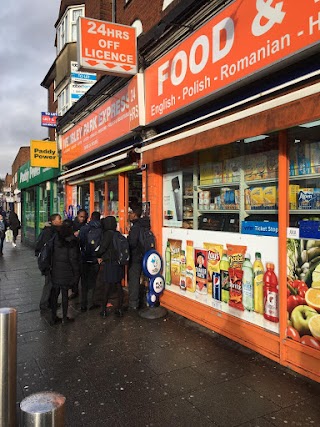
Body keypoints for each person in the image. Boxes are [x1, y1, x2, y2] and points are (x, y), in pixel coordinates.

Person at [50, 219, 81, 325]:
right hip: (66, 271)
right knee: (64, 295)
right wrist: (76, 273)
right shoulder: (72, 241)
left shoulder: (56, 238)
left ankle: (53, 316)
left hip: (55, 270)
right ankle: (64, 317)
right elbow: (73, 259)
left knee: (55, 294)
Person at [96, 216, 125, 318]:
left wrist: (97, 255)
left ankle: (103, 310)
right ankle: (120, 308)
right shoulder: (117, 234)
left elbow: (102, 248)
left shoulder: (108, 234)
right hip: (118, 263)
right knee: (118, 286)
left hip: (110, 263)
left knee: (107, 286)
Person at [35, 213, 62, 311]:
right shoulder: (49, 232)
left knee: (52, 283)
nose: (61, 221)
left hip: (50, 261)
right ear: (54, 221)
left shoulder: (52, 230)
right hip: (48, 262)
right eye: (59, 219)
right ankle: (44, 303)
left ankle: (51, 302)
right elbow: (48, 248)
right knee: (49, 283)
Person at [127, 205, 151, 310]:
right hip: (146, 255)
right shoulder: (146, 225)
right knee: (146, 278)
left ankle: (133, 303)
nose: (129, 215)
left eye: (130, 213)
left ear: (135, 215)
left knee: (134, 279)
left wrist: (128, 237)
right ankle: (147, 300)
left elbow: (132, 243)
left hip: (136, 256)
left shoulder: (135, 227)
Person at [78, 211, 102, 312]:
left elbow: (80, 242)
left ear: (91, 218)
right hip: (95, 259)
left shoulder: (84, 228)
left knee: (84, 283)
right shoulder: (101, 229)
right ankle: (91, 303)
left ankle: (83, 304)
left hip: (84, 258)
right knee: (92, 282)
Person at [69, 209, 88, 299]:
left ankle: (80, 290)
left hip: (83, 251)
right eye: (81, 217)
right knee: (75, 272)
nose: (82, 219)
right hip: (74, 251)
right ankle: (74, 290)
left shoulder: (86, 225)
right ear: (77, 216)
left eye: (84, 217)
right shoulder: (73, 225)